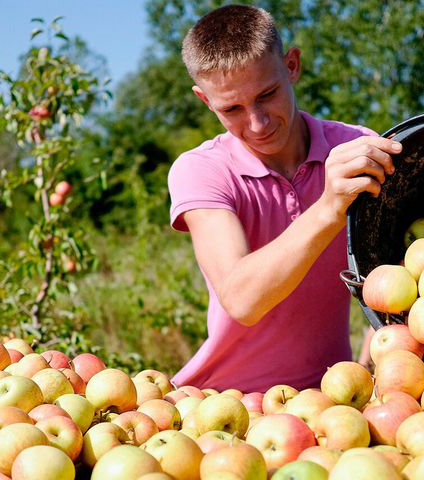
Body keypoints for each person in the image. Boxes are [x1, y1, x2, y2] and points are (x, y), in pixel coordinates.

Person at [167, 4, 401, 393]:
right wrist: (329, 207)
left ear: (292, 65)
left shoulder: (356, 147)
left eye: (268, 94)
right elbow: (242, 299)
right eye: (232, 109)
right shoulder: (201, 170)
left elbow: (393, 273)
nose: (257, 123)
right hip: (223, 403)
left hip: (332, 399)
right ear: (205, 101)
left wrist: (369, 362)